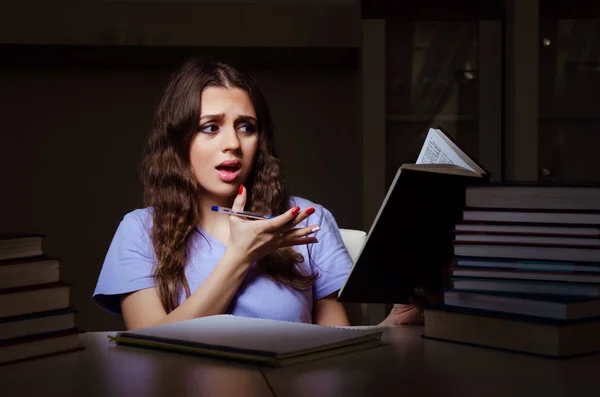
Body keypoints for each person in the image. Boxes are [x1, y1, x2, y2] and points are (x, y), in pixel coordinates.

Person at [92, 56, 430, 330]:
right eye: (210, 127)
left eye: (246, 127)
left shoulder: (306, 219)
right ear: (180, 141)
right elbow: (151, 354)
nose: (233, 144)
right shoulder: (139, 230)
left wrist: (393, 327)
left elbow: (335, 354)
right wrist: (240, 257)